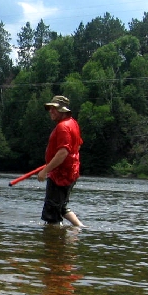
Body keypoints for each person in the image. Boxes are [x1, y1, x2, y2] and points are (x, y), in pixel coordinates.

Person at [37, 95, 84, 228]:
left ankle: (54, 244)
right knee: (60, 206)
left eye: (54, 109)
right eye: (50, 109)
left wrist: (45, 170)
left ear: (63, 110)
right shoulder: (73, 123)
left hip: (60, 175)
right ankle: (81, 228)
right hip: (71, 172)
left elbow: (63, 152)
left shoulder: (63, 127)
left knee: (51, 213)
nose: (51, 111)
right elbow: (78, 146)